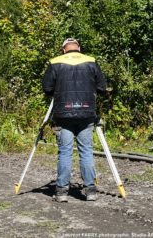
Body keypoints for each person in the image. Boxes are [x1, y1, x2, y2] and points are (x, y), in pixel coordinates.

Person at [42, 37, 106, 202]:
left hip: (64, 115)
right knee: (86, 151)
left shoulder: (55, 62)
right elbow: (102, 87)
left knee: (65, 152)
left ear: (64, 49)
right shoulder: (91, 61)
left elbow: (47, 88)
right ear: (79, 47)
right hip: (86, 113)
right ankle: (90, 190)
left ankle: (62, 192)